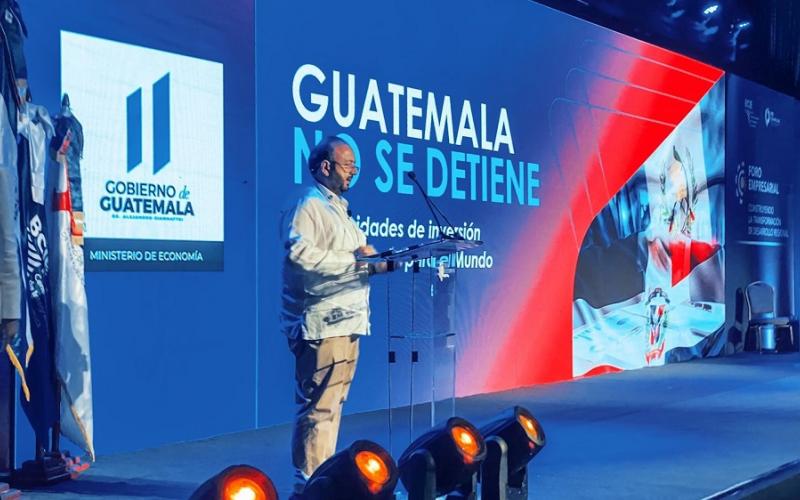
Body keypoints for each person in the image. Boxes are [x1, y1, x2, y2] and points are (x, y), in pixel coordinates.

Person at [281, 136, 388, 493]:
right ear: (324, 167)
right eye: (347, 166)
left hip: (347, 321)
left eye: (356, 167)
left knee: (333, 407)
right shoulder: (307, 204)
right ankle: (307, 486)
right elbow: (300, 257)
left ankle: (321, 480)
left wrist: (371, 261)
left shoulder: (338, 207)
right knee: (318, 409)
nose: (353, 173)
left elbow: (353, 258)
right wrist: (357, 261)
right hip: (323, 324)